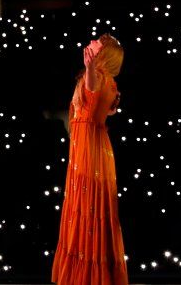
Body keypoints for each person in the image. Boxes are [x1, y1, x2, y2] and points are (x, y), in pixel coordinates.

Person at [51, 34, 128, 285]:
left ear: (103, 55)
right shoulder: (109, 81)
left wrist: (89, 68)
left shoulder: (95, 77)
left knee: (87, 203)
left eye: (97, 43)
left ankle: (87, 277)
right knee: (88, 204)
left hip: (90, 149)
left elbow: (92, 91)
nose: (91, 42)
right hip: (93, 146)